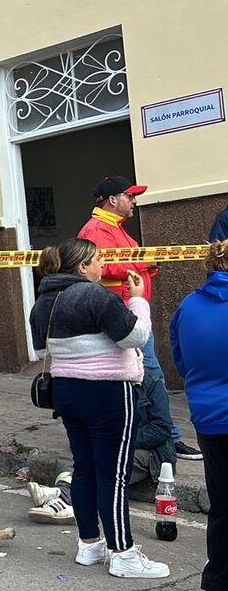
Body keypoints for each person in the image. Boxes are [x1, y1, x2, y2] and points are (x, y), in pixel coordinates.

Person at [30, 237, 168, 579]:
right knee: (114, 474)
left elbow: (39, 341)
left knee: (85, 468)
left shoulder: (44, 301)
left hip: (66, 391)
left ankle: (88, 544)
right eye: (98, 259)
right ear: (82, 266)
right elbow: (134, 337)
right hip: (108, 392)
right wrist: (138, 301)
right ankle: (123, 552)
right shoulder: (94, 295)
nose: (102, 265)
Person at [78, 176, 200, 460]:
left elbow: (126, 265)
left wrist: (147, 267)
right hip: (122, 314)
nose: (134, 202)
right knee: (151, 373)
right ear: (113, 200)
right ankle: (166, 435)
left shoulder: (114, 228)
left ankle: (152, 432)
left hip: (130, 310)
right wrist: (145, 263)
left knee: (143, 375)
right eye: (130, 197)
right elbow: (103, 268)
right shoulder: (97, 229)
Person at [170, 239, 228, 591]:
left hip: (209, 417)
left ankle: (220, 588)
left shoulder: (187, 307)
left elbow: (181, 361)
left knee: (222, 501)